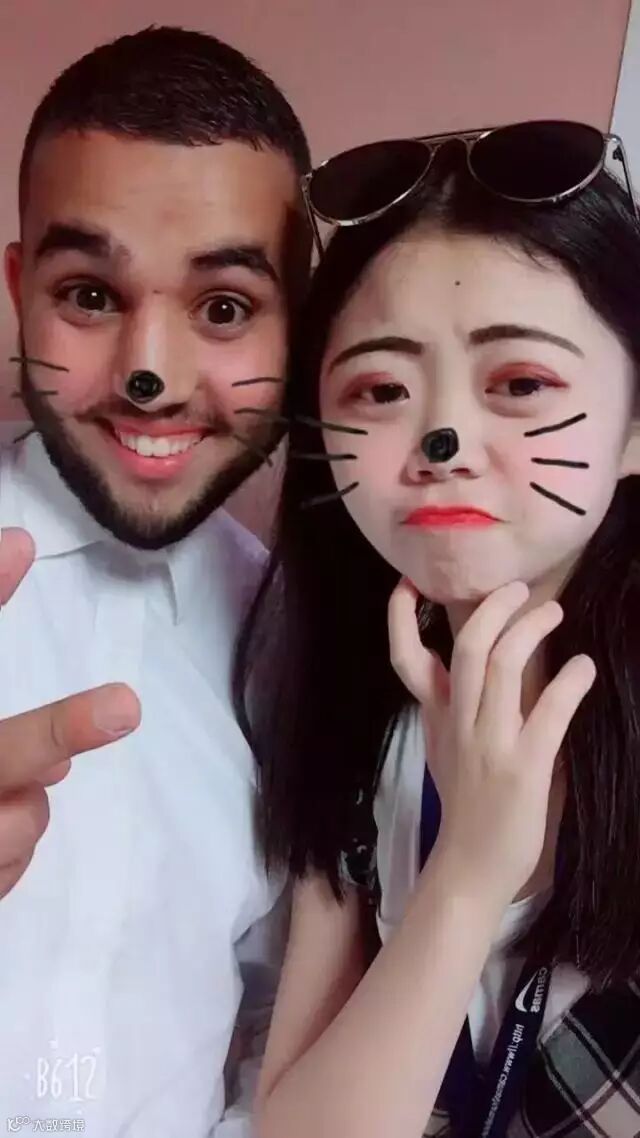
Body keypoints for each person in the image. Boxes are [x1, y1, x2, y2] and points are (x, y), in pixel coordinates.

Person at [234, 122, 640, 1136]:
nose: (443, 440)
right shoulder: (351, 720)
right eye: (380, 390)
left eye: (522, 384)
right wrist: (467, 875)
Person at [0, 25, 310, 1134]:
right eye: (89, 295)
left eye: (224, 308)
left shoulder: (303, 645)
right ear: (18, 287)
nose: (151, 374)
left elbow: (278, 1012)